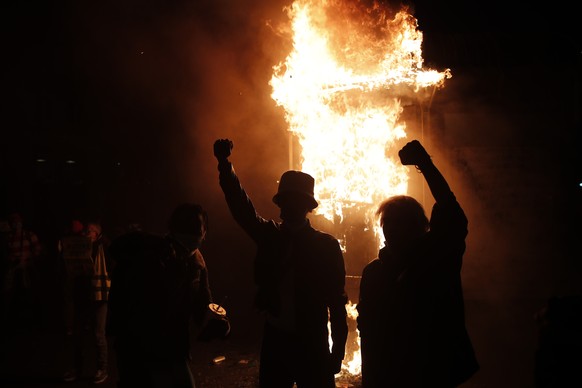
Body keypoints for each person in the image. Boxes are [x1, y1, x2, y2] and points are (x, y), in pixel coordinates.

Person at [213, 138, 349, 388]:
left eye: (294, 200)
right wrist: (225, 166)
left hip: (313, 341)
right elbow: (241, 207)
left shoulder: (326, 245)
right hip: (278, 340)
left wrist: (338, 349)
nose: (288, 205)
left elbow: (336, 301)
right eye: (286, 200)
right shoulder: (271, 235)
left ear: (306, 206)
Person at [356, 140, 479, 387]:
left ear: (420, 228)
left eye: (403, 222)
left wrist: (426, 165)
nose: (395, 229)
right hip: (388, 376)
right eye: (389, 222)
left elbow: (451, 213)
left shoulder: (436, 259)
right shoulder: (373, 272)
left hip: (432, 373)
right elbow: (368, 330)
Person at [107, 203, 229, 388]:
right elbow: (134, 301)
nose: (197, 232)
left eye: (199, 227)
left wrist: (216, 322)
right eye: (190, 226)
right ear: (174, 228)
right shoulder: (152, 252)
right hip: (139, 347)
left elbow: (202, 303)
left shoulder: (197, 261)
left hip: (174, 348)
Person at [58, 220, 111, 384]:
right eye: (85, 231)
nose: (86, 234)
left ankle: (102, 369)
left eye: (90, 231)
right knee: (77, 335)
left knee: (98, 335)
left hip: (99, 297)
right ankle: (75, 369)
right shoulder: (79, 247)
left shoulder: (104, 247)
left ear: (97, 234)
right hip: (81, 295)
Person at [2, 211, 42, 324]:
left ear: (21, 221)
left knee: (29, 289)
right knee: (9, 290)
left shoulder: (30, 235)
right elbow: (6, 253)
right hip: (13, 267)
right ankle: (10, 318)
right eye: (13, 221)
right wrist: (10, 259)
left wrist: (27, 258)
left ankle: (31, 317)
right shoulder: (8, 237)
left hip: (27, 266)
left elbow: (37, 250)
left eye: (17, 220)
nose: (16, 223)